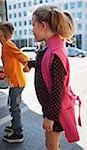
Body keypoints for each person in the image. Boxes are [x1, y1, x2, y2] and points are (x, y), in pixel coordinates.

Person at [27, 5, 81, 150]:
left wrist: (50, 117)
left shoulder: (56, 52)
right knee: (51, 144)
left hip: (56, 112)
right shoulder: (51, 48)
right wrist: (30, 64)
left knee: (51, 146)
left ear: (43, 25)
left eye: (33, 24)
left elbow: (58, 90)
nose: (32, 29)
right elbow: (43, 63)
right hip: (52, 109)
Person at [0, 22, 29, 143]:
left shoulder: (8, 45)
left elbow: (21, 55)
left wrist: (27, 64)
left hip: (17, 82)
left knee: (14, 107)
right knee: (11, 104)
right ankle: (15, 125)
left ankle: (17, 133)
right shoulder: (6, 46)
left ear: (0, 33)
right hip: (14, 82)